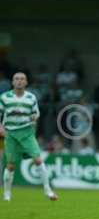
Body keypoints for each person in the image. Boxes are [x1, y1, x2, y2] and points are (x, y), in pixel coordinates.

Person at [0, 72, 58, 201]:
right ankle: (7, 194)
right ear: (12, 82)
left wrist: (34, 117)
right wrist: (1, 127)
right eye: (16, 79)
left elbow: (36, 113)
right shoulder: (4, 97)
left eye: (22, 79)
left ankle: (48, 191)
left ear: (26, 82)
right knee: (10, 165)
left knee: (38, 160)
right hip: (11, 134)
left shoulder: (31, 97)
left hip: (27, 132)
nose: (19, 81)